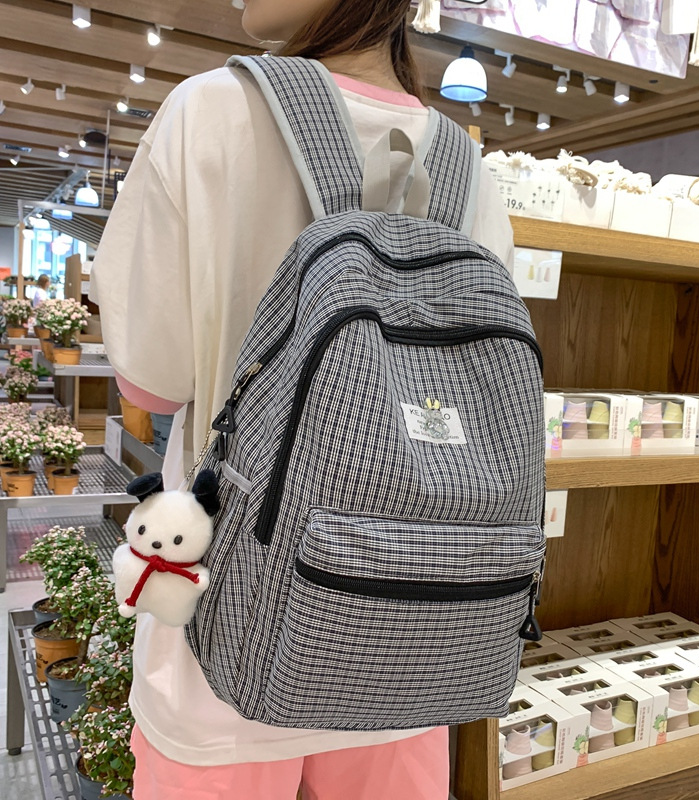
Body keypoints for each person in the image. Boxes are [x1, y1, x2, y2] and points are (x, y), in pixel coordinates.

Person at [91, 1, 514, 798]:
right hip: (413, 652)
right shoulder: (468, 169)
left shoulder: (211, 110)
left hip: (225, 654)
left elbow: (154, 376)